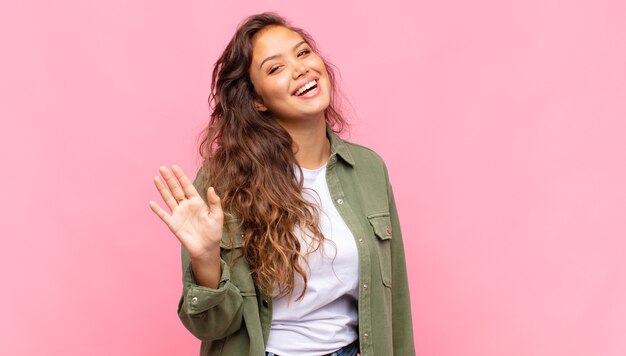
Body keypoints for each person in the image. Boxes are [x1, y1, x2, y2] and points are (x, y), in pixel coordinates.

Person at [149, 12, 415, 356]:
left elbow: (396, 307)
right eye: (275, 68)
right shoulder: (223, 181)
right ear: (257, 100)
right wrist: (205, 260)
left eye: (303, 53)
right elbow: (213, 328)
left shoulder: (369, 169)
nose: (300, 68)